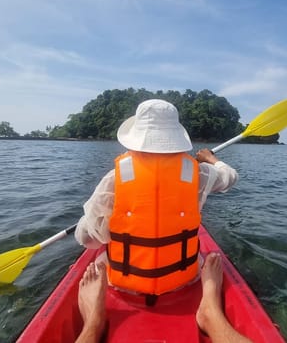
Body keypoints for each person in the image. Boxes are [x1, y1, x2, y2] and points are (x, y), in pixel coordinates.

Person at [74, 99, 250, 342]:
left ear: (135, 140)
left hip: (122, 283)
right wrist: (211, 159)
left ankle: (94, 318)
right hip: (186, 277)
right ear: (176, 139)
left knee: (100, 244)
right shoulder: (197, 172)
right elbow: (230, 177)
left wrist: (90, 221)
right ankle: (208, 308)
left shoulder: (114, 178)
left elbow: (88, 240)